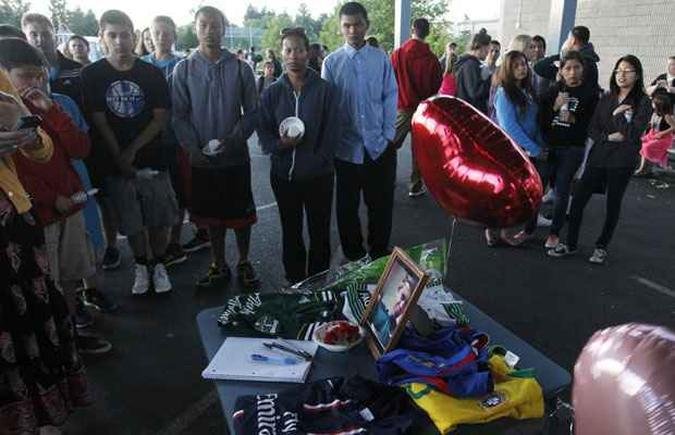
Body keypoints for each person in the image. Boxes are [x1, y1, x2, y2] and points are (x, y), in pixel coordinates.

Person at [1, 37, 113, 353]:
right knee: (45, 283)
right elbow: (19, 173)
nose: (36, 82)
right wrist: (52, 198)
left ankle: (71, 333)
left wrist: (53, 112)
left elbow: (80, 148)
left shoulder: (55, 105)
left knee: (69, 277)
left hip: (70, 208)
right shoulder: (7, 118)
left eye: (40, 74)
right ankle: (58, 343)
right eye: (25, 75)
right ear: (3, 74)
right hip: (42, 214)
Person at [0, 68, 91, 434]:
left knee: (27, 328)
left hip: (14, 223)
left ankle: (35, 417)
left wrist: (30, 138)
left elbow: (43, 147)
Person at [81, 10, 177, 294]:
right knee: (131, 220)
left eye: (125, 35)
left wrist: (132, 151)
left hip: (153, 158)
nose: (120, 41)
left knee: (160, 217)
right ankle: (140, 264)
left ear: (134, 35)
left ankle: (158, 263)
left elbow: (160, 117)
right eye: (112, 35)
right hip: (115, 162)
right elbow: (98, 119)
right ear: (102, 37)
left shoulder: (150, 72)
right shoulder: (92, 74)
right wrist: (119, 156)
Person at [172, 6, 260, 289]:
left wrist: (233, 139)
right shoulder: (183, 68)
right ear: (196, 28)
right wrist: (192, 149)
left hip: (235, 158)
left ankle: (244, 261)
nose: (210, 30)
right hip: (201, 160)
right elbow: (178, 115)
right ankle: (218, 264)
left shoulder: (240, 67)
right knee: (212, 217)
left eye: (216, 25)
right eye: (204, 25)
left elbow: (253, 113)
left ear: (224, 28)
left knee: (242, 215)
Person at [548, 55, 651, 264]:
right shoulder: (607, 97)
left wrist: (618, 116)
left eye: (627, 70)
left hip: (622, 161)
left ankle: (601, 246)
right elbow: (593, 129)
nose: (621, 75)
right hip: (599, 156)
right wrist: (609, 135)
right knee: (577, 202)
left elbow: (633, 133)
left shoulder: (643, 101)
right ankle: (570, 243)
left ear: (637, 74)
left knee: (613, 205)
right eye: (618, 70)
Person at [257, 27, 339, 284]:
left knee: (319, 232)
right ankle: (294, 283)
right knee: (291, 232)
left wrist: (318, 161)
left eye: (299, 50)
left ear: (308, 52)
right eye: (288, 50)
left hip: (319, 176)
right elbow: (264, 134)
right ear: (281, 54)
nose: (294, 55)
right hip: (284, 177)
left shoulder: (325, 89)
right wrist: (281, 144)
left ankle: (317, 283)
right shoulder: (271, 92)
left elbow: (332, 133)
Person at [322, 1, 398, 261]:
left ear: (367, 25)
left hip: (379, 147)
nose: (352, 30)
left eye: (357, 24)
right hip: (345, 149)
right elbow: (327, 106)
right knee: (346, 208)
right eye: (347, 25)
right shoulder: (332, 63)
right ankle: (353, 255)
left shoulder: (381, 59)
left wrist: (388, 136)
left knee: (381, 205)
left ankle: (379, 252)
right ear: (340, 28)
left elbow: (391, 97)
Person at [140, 15, 190, 268]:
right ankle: (152, 248)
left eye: (166, 32)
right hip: (147, 141)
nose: (161, 37)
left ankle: (175, 241)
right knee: (151, 195)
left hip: (176, 139)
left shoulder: (184, 64)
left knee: (178, 193)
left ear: (174, 35)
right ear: (149, 34)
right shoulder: (141, 66)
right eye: (156, 32)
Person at [539, 50, 599, 249]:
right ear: (561, 71)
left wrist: (575, 119)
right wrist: (555, 108)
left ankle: (554, 233)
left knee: (562, 189)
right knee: (539, 186)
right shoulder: (554, 90)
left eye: (577, 68)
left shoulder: (590, 93)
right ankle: (530, 226)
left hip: (573, 148)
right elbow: (541, 121)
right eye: (568, 68)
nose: (572, 72)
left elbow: (593, 125)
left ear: (583, 69)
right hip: (550, 147)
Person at [490, 50, 545, 246]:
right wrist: (535, 148)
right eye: (516, 65)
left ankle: (500, 230)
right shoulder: (504, 92)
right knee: (505, 193)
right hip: (511, 151)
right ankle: (496, 230)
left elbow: (534, 122)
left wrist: (537, 145)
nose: (522, 68)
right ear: (508, 69)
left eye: (523, 64)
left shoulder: (528, 90)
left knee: (514, 193)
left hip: (527, 151)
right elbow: (509, 127)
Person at [391, 17, 442, 197]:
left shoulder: (398, 54)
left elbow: (390, 80)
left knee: (390, 144)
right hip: (424, 109)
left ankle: (385, 177)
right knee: (419, 148)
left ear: (412, 29)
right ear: (427, 32)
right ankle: (415, 184)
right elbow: (437, 85)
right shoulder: (432, 59)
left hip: (403, 107)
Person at [21, 13, 83, 106]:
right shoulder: (23, 76)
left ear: (55, 37)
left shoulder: (77, 70)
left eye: (46, 34)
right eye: (34, 34)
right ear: (25, 38)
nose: (40, 39)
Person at [534, 26, 600, 94]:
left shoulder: (574, 61)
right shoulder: (591, 60)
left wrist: (563, 54)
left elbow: (539, 67)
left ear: (573, 40)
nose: (572, 72)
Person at [455, 28, 495, 114]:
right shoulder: (470, 65)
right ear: (481, 47)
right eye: (488, 49)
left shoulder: (469, 63)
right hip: (471, 113)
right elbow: (475, 92)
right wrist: (492, 79)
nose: (488, 53)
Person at [635, 91, 674, 175]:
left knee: (647, 147)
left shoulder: (667, 116)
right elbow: (652, 123)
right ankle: (643, 168)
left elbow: (673, 127)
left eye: (653, 102)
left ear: (659, 105)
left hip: (664, 138)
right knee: (643, 145)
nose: (651, 104)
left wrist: (662, 133)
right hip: (653, 134)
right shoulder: (655, 113)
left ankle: (648, 168)